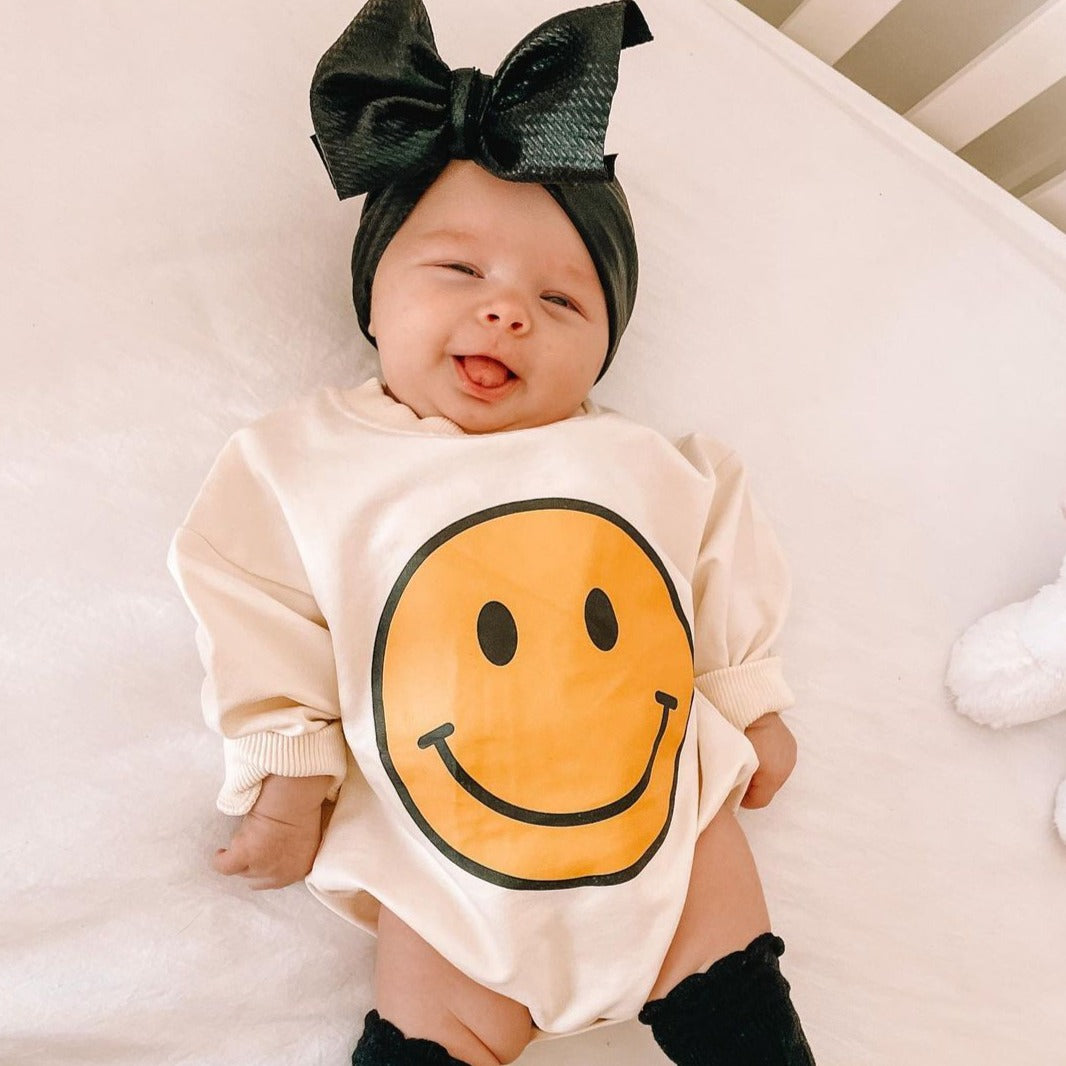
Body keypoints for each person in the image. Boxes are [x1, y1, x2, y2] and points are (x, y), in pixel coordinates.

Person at [168, 1, 816, 1063]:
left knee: (731, 968)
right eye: (459, 272)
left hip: (664, 822)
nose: (508, 311)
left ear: (605, 346)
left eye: (562, 301)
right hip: (445, 854)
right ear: (373, 292)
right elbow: (254, 603)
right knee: (431, 1020)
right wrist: (289, 771)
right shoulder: (306, 459)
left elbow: (718, 556)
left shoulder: (640, 458)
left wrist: (748, 695)